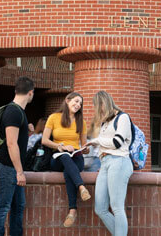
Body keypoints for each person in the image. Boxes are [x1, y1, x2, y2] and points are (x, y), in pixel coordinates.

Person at [0, 76, 34, 236]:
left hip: (11, 167)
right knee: (3, 208)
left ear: (16, 90)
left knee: (18, 207)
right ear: (30, 93)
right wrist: (19, 172)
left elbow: (16, 140)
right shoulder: (13, 111)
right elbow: (11, 143)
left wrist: (26, 130)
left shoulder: (18, 112)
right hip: (7, 166)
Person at [87, 91, 133, 236]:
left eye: (97, 106)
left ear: (104, 103)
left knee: (117, 207)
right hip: (105, 163)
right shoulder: (105, 123)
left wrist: (98, 141)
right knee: (100, 208)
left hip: (119, 161)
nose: (97, 110)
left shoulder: (123, 117)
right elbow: (105, 144)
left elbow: (117, 142)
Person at [42, 92, 90, 228]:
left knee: (69, 171)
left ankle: (72, 210)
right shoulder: (53, 117)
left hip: (76, 156)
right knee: (64, 158)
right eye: (75, 101)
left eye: (80, 103)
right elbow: (44, 140)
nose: (78, 105)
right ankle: (81, 187)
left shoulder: (82, 122)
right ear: (67, 101)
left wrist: (86, 149)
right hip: (58, 156)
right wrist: (60, 146)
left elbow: (84, 144)